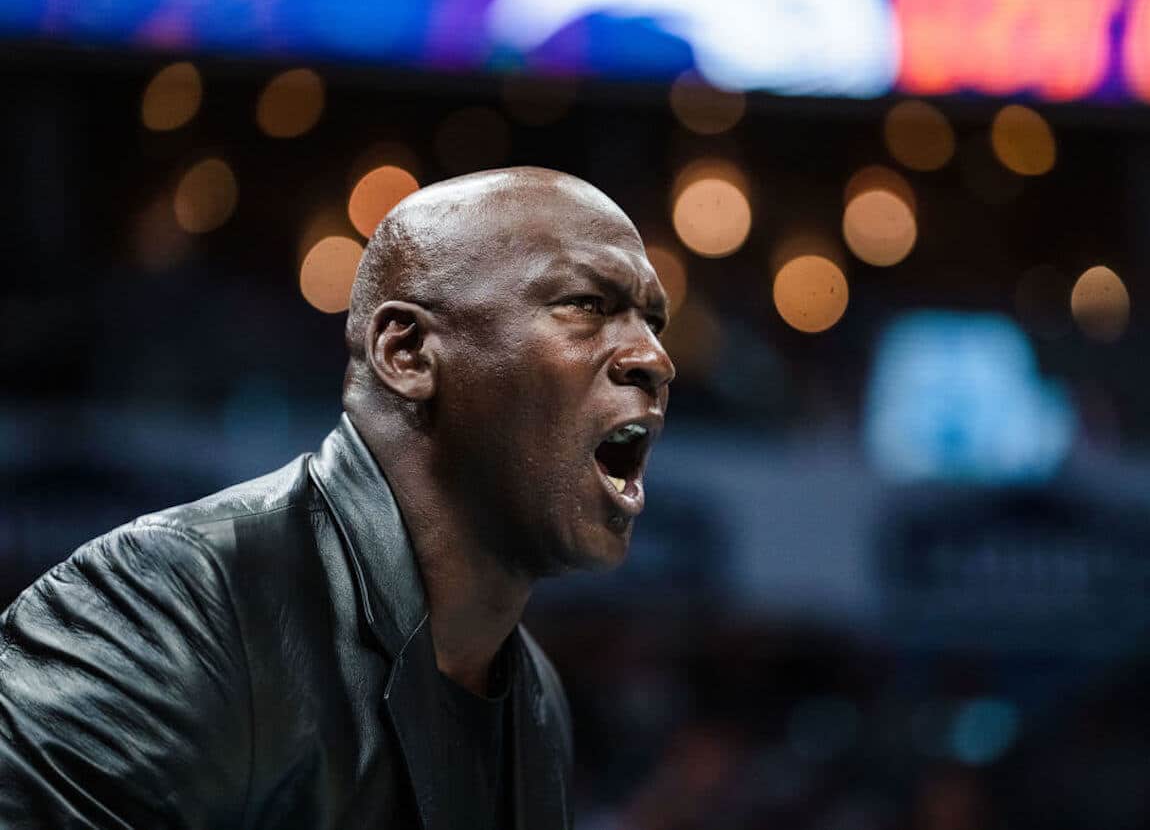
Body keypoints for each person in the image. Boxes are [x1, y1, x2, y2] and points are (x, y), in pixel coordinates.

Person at [0, 167, 675, 829]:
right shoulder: (173, 603)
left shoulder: (536, 698)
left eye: (653, 321)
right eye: (588, 306)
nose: (655, 358)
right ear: (405, 352)